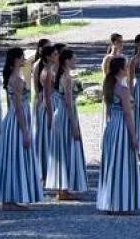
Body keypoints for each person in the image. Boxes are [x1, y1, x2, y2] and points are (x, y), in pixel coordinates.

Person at [0, 48, 42, 210]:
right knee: (15, 158)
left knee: (11, 158)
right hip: (17, 122)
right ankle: (9, 200)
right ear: (16, 60)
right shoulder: (17, 81)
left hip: (12, 121)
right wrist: (25, 132)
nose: (24, 60)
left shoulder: (11, 78)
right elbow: (19, 107)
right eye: (22, 58)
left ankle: (10, 198)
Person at [96, 56, 140, 215]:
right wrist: (134, 136)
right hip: (122, 127)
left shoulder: (109, 86)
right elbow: (128, 115)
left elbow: (109, 112)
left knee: (112, 164)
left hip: (111, 127)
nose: (128, 69)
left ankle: (110, 202)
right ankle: (121, 203)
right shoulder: (123, 89)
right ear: (121, 70)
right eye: (126, 67)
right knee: (122, 164)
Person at [45, 48, 88, 200]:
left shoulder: (61, 75)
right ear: (67, 61)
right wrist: (74, 125)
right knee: (66, 148)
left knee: (63, 149)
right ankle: (62, 190)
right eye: (74, 59)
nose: (76, 61)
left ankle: (63, 188)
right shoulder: (67, 78)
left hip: (61, 114)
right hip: (65, 116)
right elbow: (69, 103)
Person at [34, 42, 58, 182]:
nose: (57, 56)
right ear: (48, 57)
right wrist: (50, 116)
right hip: (50, 104)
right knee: (49, 138)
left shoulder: (48, 70)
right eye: (54, 54)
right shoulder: (47, 72)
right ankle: (48, 171)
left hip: (50, 103)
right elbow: (47, 95)